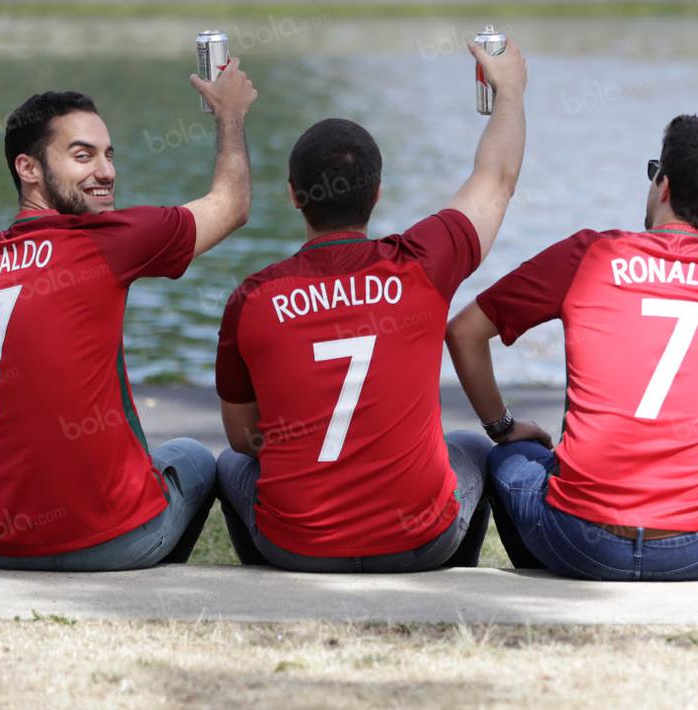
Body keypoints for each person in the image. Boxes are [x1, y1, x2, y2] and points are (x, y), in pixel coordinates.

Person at [445, 68, 698, 581]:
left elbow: (464, 332)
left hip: (581, 543)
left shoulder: (590, 256)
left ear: (663, 184)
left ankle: (545, 560)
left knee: (512, 457)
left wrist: (504, 427)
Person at [212, 39, 528, 573]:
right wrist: (511, 92)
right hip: (417, 543)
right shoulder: (422, 264)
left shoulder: (253, 298)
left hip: (293, 547)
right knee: (471, 448)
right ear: (378, 192)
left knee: (224, 465)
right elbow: (496, 179)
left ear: (293, 195)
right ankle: (452, 577)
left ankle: (270, 574)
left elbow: (245, 437)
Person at [0, 61, 259, 570]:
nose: (106, 172)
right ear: (28, 168)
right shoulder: (107, 239)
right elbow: (233, 203)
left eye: (109, 155)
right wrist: (230, 114)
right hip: (109, 541)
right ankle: (137, 565)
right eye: (82, 156)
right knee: (194, 457)